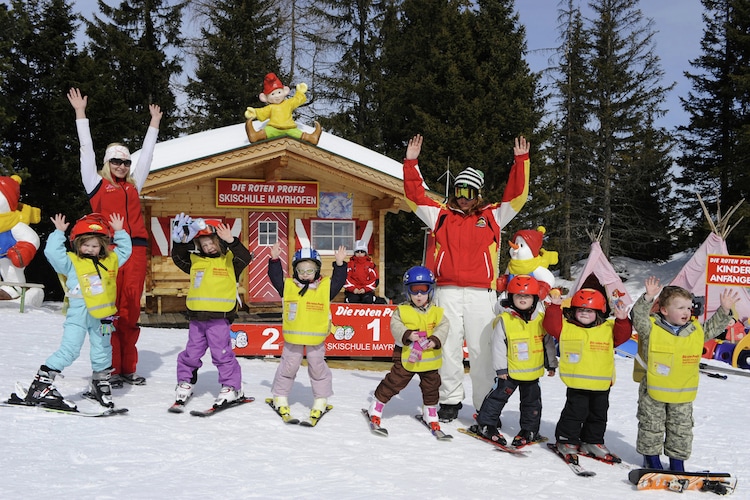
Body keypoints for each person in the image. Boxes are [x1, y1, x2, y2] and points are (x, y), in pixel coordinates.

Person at [403, 133, 530, 422]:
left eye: (469, 192)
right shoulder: (441, 216)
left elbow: (517, 196)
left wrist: (521, 161)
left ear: (478, 194)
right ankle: (449, 400)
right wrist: (411, 163)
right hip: (446, 290)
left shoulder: (493, 216)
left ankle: (486, 404)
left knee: (482, 350)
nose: (462, 197)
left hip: (480, 293)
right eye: (459, 190)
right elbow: (415, 196)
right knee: (448, 347)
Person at [68, 87, 162, 388]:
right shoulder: (95, 184)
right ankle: (106, 367)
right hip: (106, 252)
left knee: (130, 307)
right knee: (108, 308)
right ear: (107, 164)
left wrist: (154, 124)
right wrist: (80, 114)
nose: (121, 167)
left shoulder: (134, 185)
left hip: (134, 249)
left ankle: (127, 368)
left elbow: (147, 155)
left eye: (125, 163)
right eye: (116, 162)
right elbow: (86, 150)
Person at [24, 212, 131, 410]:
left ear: (102, 246)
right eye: (86, 245)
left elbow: (125, 251)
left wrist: (120, 232)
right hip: (78, 315)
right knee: (70, 350)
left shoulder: (111, 261)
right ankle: (41, 383)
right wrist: (58, 233)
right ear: (77, 243)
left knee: (103, 350)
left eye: (95, 245)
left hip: (103, 318)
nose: (90, 249)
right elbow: (53, 254)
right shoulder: (71, 261)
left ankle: (100, 382)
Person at [632, 277, 738, 471]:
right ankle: (651, 460)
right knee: (651, 426)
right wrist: (647, 297)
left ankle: (677, 463)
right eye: (680, 308)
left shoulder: (694, 330)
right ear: (664, 310)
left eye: (689, 308)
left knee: (681, 430)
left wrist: (723, 310)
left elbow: (713, 328)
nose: (686, 312)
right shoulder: (651, 328)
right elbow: (638, 317)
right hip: (653, 392)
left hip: (682, 393)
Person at [170, 214, 254, 408]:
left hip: (220, 317)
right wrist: (179, 243)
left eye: (211, 243)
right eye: (204, 244)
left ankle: (232, 387)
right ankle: (185, 382)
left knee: (221, 353)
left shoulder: (230, 260)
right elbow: (178, 258)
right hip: (197, 317)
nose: (208, 247)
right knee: (191, 352)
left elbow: (246, 256)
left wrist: (231, 241)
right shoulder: (195, 261)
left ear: (219, 242)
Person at [543, 287, 631, 462]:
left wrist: (622, 320)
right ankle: (566, 440)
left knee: (598, 415)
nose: (584, 313)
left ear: (598, 312)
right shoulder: (566, 328)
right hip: (577, 384)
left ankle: (592, 441)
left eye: (589, 310)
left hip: (601, 384)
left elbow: (623, 335)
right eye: (580, 310)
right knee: (574, 414)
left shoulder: (608, 328)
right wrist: (554, 307)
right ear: (574, 311)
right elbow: (551, 326)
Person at [472, 275, 557, 446]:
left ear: (534, 298)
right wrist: (501, 369)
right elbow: (498, 346)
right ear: (511, 298)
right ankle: (486, 424)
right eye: (518, 296)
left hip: (532, 373)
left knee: (532, 404)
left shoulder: (541, 320)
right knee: (496, 399)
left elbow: (547, 343)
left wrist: (551, 364)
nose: (523, 299)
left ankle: (529, 429)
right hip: (509, 372)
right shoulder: (505, 320)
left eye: (527, 296)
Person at [267, 241, 346, 422]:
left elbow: (339, 280)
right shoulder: (288, 287)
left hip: (316, 340)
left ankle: (321, 399)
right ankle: (280, 396)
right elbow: (276, 277)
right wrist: (274, 260)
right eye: (301, 270)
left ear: (317, 270)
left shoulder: (325, 288)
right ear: (295, 270)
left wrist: (340, 264)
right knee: (288, 367)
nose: (305, 274)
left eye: (309, 270)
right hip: (293, 338)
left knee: (318, 369)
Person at [367, 266, 449, 433]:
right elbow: (395, 326)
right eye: (415, 290)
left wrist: (435, 339)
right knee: (395, 382)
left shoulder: (437, 312)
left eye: (423, 290)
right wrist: (408, 334)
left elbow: (444, 327)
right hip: (406, 357)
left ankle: (430, 412)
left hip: (429, 360)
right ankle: (377, 405)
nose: (419, 295)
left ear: (430, 290)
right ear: (408, 291)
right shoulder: (402, 310)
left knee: (432, 386)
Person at [244, 72, 322, 144]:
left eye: (279, 92)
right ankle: (255, 136)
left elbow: (296, 100)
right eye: (273, 94)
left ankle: (312, 138)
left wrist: (300, 93)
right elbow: (263, 112)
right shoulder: (270, 107)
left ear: (284, 91)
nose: (277, 96)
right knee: (267, 131)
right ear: (265, 98)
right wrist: (254, 112)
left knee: (298, 134)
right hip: (274, 128)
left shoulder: (288, 103)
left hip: (289, 128)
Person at [344, 239, 379, 304]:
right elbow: (345, 278)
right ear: (354, 253)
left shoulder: (370, 265)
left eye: (362, 251)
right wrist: (353, 289)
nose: (359, 253)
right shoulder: (350, 264)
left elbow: (375, 280)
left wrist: (365, 289)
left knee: (368, 299)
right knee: (353, 299)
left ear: (365, 253)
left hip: (366, 290)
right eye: (357, 251)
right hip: (353, 291)